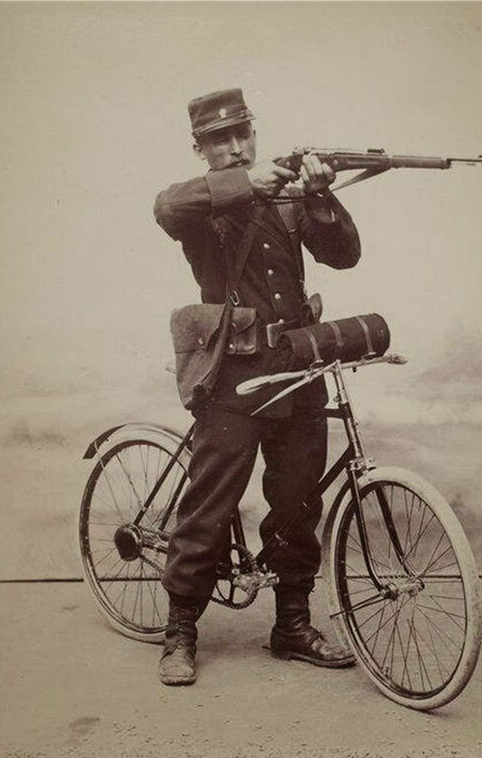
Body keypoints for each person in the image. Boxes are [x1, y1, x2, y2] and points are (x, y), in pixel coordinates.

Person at [154, 88, 361, 686]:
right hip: (233, 374)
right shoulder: (201, 203)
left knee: (298, 500)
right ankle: (180, 632)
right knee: (210, 503)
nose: (236, 146)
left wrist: (318, 193)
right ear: (200, 147)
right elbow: (166, 205)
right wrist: (251, 181)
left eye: (242, 133)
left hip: (297, 365)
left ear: (254, 131)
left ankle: (291, 626)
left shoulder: (289, 199)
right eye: (219, 139)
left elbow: (344, 256)